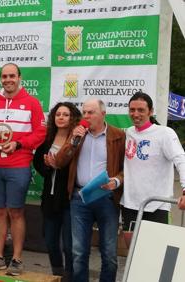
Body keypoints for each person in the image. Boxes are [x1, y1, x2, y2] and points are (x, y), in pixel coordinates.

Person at [0, 63, 46, 276]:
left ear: (19, 77)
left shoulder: (32, 103)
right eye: (4, 76)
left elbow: (40, 134)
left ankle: (17, 259)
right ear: (0, 79)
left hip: (18, 165)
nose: (8, 80)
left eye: (12, 76)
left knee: (16, 212)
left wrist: (18, 144)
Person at [55, 99, 125, 282]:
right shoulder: (77, 135)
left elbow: (128, 168)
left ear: (103, 114)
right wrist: (72, 141)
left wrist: (117, 181)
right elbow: (60, 162)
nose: (86, 116)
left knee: (109, 253)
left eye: (91, 112)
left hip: (107, 197)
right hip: (80, 198)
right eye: (84, 112)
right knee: (78, 252)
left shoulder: (118, 136)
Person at [121, 92, 185, 229]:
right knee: (132, 249)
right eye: (132, 110)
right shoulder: (129, 132)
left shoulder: (165, 133)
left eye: (141, 110)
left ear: (151, 111)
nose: (135, 114)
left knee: (154, 250)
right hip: (130, 204)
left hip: (157, 205)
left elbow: (181, 160)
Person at [33, 102, 81, 280]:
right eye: (58, 114)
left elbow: (77, 167)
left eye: (66, 114)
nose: (61, 117)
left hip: (68, 199)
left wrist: (59, 165)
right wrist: (47, 166)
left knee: (69, 245)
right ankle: (57, 274)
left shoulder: (76, 140)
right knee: (51, 241)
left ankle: (69, 277)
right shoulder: (47, 140)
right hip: (49, 199)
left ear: (73, 118)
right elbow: (38, 162)